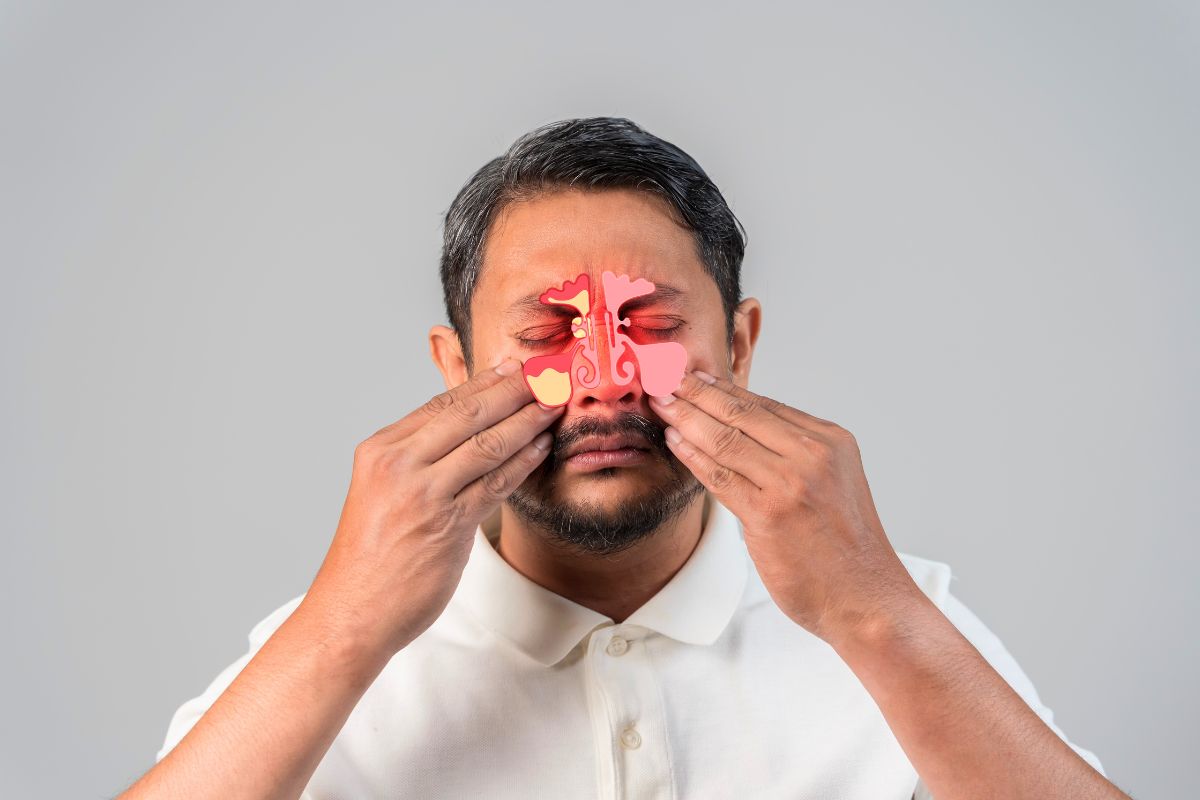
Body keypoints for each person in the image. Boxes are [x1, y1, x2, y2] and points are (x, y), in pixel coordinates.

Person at [120, 117, 1129, 799]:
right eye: (548, 332)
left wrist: (877, 615)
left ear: (738, 345)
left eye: (647, 324)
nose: (603, 383)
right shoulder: (325, 653)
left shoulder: (905, 624)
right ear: (456, 366)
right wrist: (340, 627)